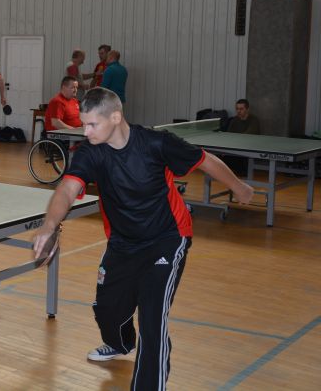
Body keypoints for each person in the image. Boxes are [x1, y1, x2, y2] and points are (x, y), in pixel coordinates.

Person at [33, 87, 254, 391]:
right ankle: (120, 343)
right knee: (107, 309)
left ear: (115, 117)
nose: (86, 132)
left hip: (167, 238)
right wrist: (49, 225)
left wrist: (239, 187)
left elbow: (204, 160)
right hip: (122, 242)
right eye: (84, 124)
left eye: (92, 124)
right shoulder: (90, 152)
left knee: (152, 320)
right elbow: (67, 189)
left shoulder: (155, 143)